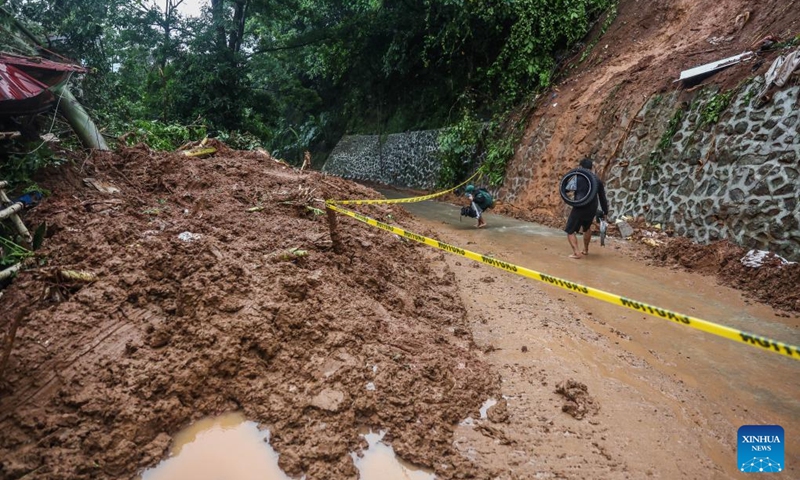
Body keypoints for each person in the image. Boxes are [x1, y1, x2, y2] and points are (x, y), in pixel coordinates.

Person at [565, 158, 608, 259]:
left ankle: (576, 253)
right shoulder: (597, 180)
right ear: (591, 167)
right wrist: (605, 212)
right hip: (592, 208)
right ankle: (585, 250)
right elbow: (602, 197)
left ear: (580, 167)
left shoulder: (577, 177)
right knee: (587, 228)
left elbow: (566, 189)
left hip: (579, 206)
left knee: (570, 230)